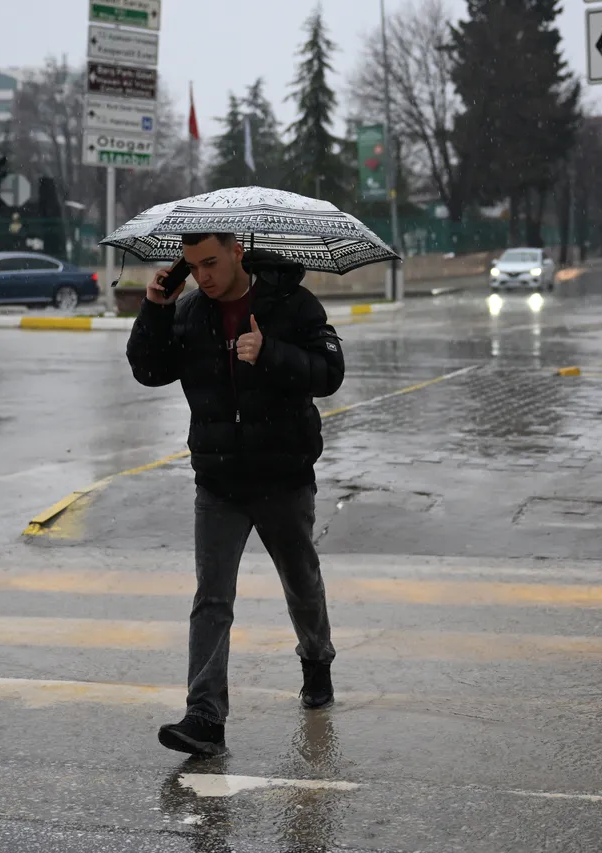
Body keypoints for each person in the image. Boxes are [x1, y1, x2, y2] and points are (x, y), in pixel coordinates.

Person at [126, 233, 345, 757]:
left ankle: (316, 659)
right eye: (193, 266)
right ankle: (205, 718)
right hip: (219, 480)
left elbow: (330, 372)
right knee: (212, 599)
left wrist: (271, 353)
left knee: (301, 582)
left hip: (282, 475)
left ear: (236, 253)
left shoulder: (291, 302)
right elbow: (149, 371)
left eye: (211, 263)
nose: (202, 276)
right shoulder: (191, 312)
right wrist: (156, 310)